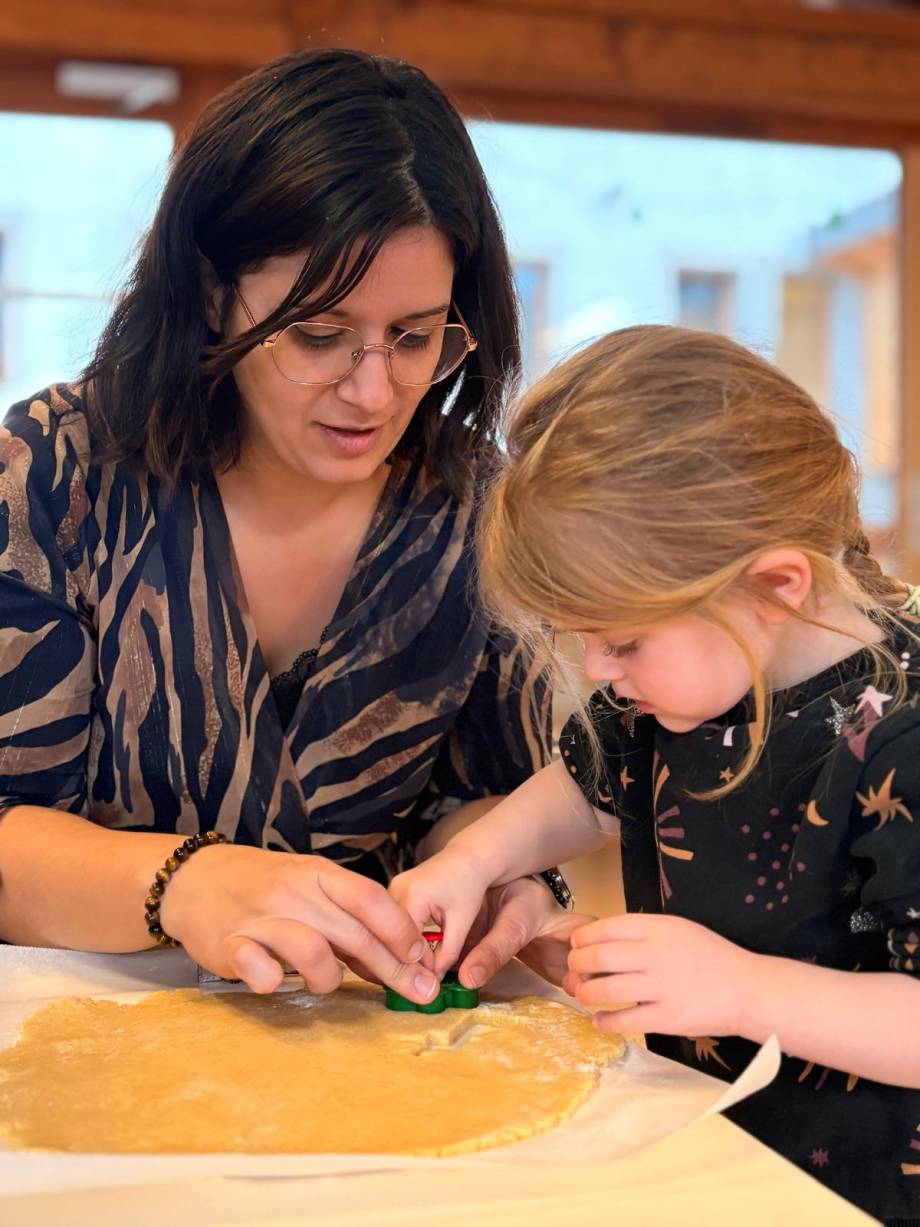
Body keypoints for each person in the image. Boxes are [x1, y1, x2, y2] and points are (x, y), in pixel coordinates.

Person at [0, 48, 585, 1004]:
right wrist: (186, 881)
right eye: (319, 334)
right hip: (80, 1030)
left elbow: (486, 801)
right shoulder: (54, 475)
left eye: (416, 335)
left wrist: (503, 876)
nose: (373, 389)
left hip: (365, 1039)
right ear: (208, 291)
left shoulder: (472, 505)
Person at [391, 325, 920, 1222]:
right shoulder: (678, 686)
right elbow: (583, 788)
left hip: (862, 1195)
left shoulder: (899, 737)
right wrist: (474, 860)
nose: (599, 669)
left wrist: (745, 990)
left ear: (776, 584)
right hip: (715, 1145)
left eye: (623, 639)